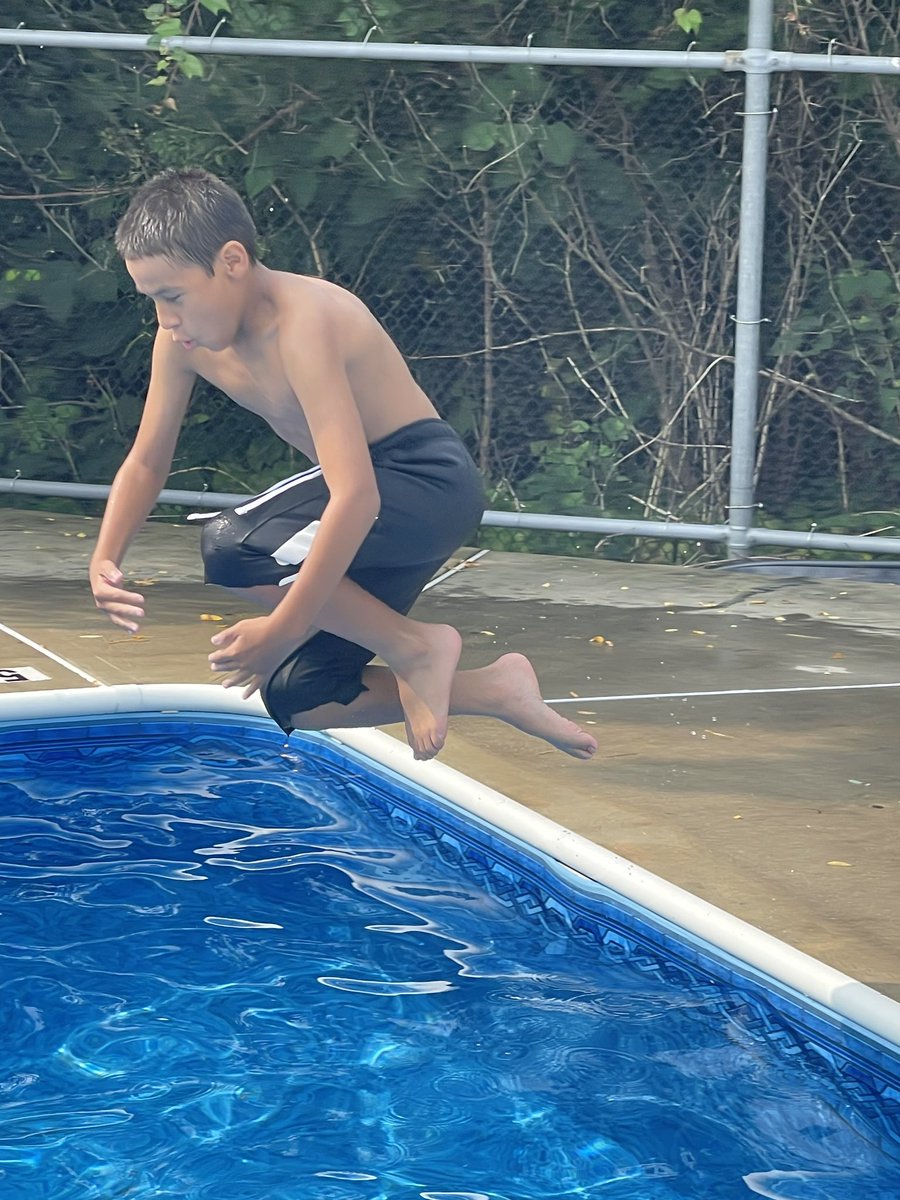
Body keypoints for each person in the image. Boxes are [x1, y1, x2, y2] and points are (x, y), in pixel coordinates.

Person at [90, 167, 597, 763]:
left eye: (172, 297)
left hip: (423, 484)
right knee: (300, 696)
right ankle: (495, 689)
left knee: (233, 544)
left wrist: (281, 629)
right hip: (381, 515)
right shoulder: (182, 344)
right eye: (151, 301)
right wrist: (105, 555)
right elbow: (148, 459)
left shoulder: (304, 323)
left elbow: (356, 495)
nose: (165, 319)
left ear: (232, 261)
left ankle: (417, 649)